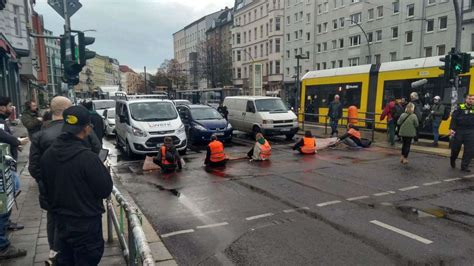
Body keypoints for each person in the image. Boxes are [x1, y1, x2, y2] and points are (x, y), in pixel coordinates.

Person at [28, 96, 101, 264]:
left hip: (54, 198)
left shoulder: (40, 135)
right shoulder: (83, 131)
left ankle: (56, 253)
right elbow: (97, 152)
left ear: (52, 110)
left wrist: (50, 181)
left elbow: (34, 168)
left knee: (55, 225)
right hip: (83, 200)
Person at [40, 105, 113, 265]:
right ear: (86, 128)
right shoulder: (88, 158)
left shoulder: (48, 155)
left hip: (61, 222)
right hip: (85, 223)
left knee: (66, 260)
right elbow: (105, 189)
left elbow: (44, 186)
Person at [0, 97, 28, 260]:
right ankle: (3, 246)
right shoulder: (1, 123)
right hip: (4, 169)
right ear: (2, 108)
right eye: (9, 106)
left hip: (7, 167)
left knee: (9, 197)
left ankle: (5, 225)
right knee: (5, 200)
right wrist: (16, 140)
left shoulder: (4, 121)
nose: (12, 108)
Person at [450, 94, 474, 172]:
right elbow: (454, 118)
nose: (471, 100)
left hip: (470, 131)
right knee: (456, 148)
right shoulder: (460, 107)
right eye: (469, 98)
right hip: (459, 130)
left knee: (469, 150)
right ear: (466, 99)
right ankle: (452, 159)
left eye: (473, 99)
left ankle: (464, 166)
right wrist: (452, 129)